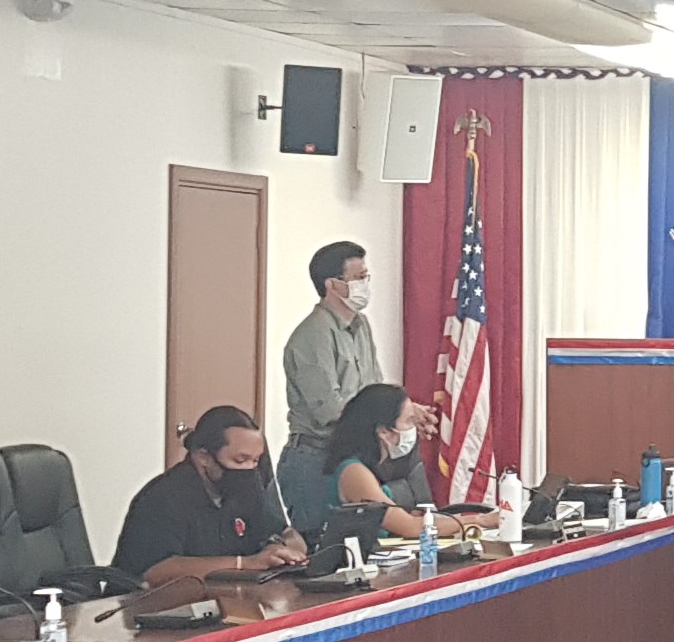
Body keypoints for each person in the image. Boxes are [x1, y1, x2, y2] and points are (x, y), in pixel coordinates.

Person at [115, 406, 309, 582]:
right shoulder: (163, 497)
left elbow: (284, 531)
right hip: (148, 607)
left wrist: (290, 550)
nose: (250, 469)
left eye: (256, 461)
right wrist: (244, 563)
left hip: (224, 599)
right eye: (240, 460)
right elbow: (154, 571)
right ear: (203, 457)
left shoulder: (246, 489)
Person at [279, 239, 385, 529]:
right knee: (320, 549)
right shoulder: (313, 335)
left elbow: (374, 391)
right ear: (333, 284)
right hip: (314, 459)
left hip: (350, 453)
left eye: (367, 276)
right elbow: (329, 410)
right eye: (359, 278)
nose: (365, 284)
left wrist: (402, 412)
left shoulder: (361, 325)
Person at [324, 383, 479, 541]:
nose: (415, 429)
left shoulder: (372, 465)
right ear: (384, 431)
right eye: (409, 421)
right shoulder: (353, 472)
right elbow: (410, 528)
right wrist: (479, 520)